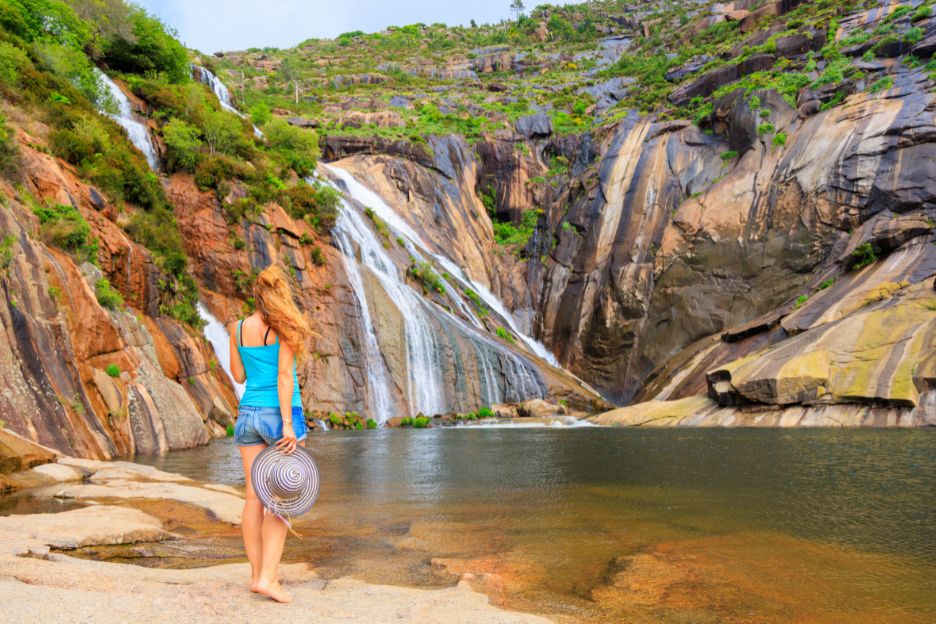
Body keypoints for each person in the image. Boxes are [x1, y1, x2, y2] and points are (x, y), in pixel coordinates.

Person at [229, 264, 311, 603]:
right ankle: (269, 578)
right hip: (280, 417)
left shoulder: (236, 329)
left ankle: (255, 574)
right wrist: (288, 425)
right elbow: (284, 378)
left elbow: (238, 375)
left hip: (247, 414)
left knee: (253, 498)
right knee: (281, 500)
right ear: (281, 295)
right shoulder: (285, 328)